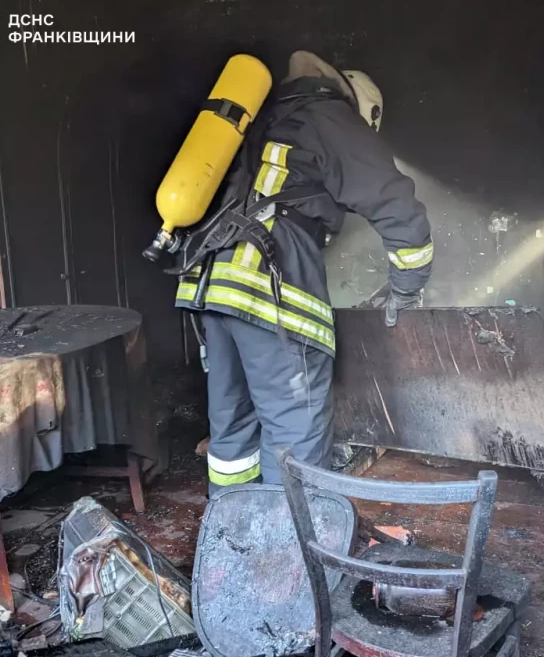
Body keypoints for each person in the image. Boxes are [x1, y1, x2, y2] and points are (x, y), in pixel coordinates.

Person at [177, 51, 433, 493]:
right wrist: (406, 288)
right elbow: (396, 205)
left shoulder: (264, 118)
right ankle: (288, 537)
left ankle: (229, 531)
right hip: (265, 288)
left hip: (211, 285)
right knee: (296, 432)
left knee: (232, 431)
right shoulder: (331, 117)